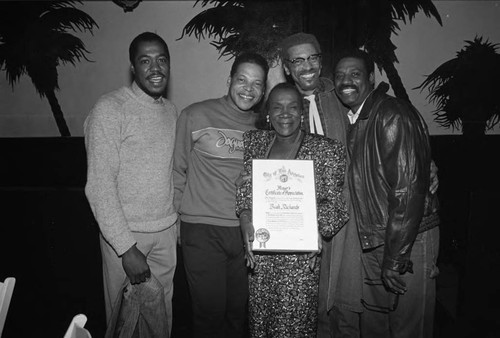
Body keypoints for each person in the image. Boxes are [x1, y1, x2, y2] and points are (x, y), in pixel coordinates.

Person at [333, 48, 440, 338]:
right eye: (340, 75)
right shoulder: (357, 119)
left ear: (370, 78)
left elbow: (408, 192)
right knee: (378, 325)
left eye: (355, 74)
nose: (346, 81)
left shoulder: (392, 114)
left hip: (409, 239)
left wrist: (395, 257)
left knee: (408, 328)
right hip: (379, 237)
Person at [236, 82, 349, 337]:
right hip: (261, 258)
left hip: (301, 262)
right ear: (268, 113)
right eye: (277, 107)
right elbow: (245, 188)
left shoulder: (326, 150)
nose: (284, 113)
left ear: (302, 112)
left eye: (292, 107)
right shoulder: (255, 143)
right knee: (260, 325)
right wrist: (244, 216)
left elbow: (337, 204)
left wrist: (317, 231)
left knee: (295, 328)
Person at [84, 32, 178, 334]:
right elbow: (99, 185)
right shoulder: (110, 108)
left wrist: (174, 226)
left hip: (165, 235)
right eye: (145, 61)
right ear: (133, 68)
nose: (155, 68)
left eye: (161, 60)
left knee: (161, 321)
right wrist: (126, 248)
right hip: (125, 236)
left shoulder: (171, 111)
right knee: (122, 322)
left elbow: (170, 172)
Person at [173, 52, 268, 338]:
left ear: (263, 91)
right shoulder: (195, 114)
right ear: (229, 80)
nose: (248, 89)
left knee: (238, 315)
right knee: (208, 315)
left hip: (243, 234)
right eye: (242, 80)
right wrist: (179, 222)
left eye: (257, 84)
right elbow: (177, 170)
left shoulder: (263, 128)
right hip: (202, 230)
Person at [278, 32, 364, 337]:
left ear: (321, 60)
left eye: (312, 57)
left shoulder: (341, 95)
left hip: (344, 211)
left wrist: (421, 159)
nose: (307, 66)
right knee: (305, 295)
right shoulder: (281, 104)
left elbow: (378, 123)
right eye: (298, 60)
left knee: (344, 291)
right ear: (287, 67)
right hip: (297, 215)